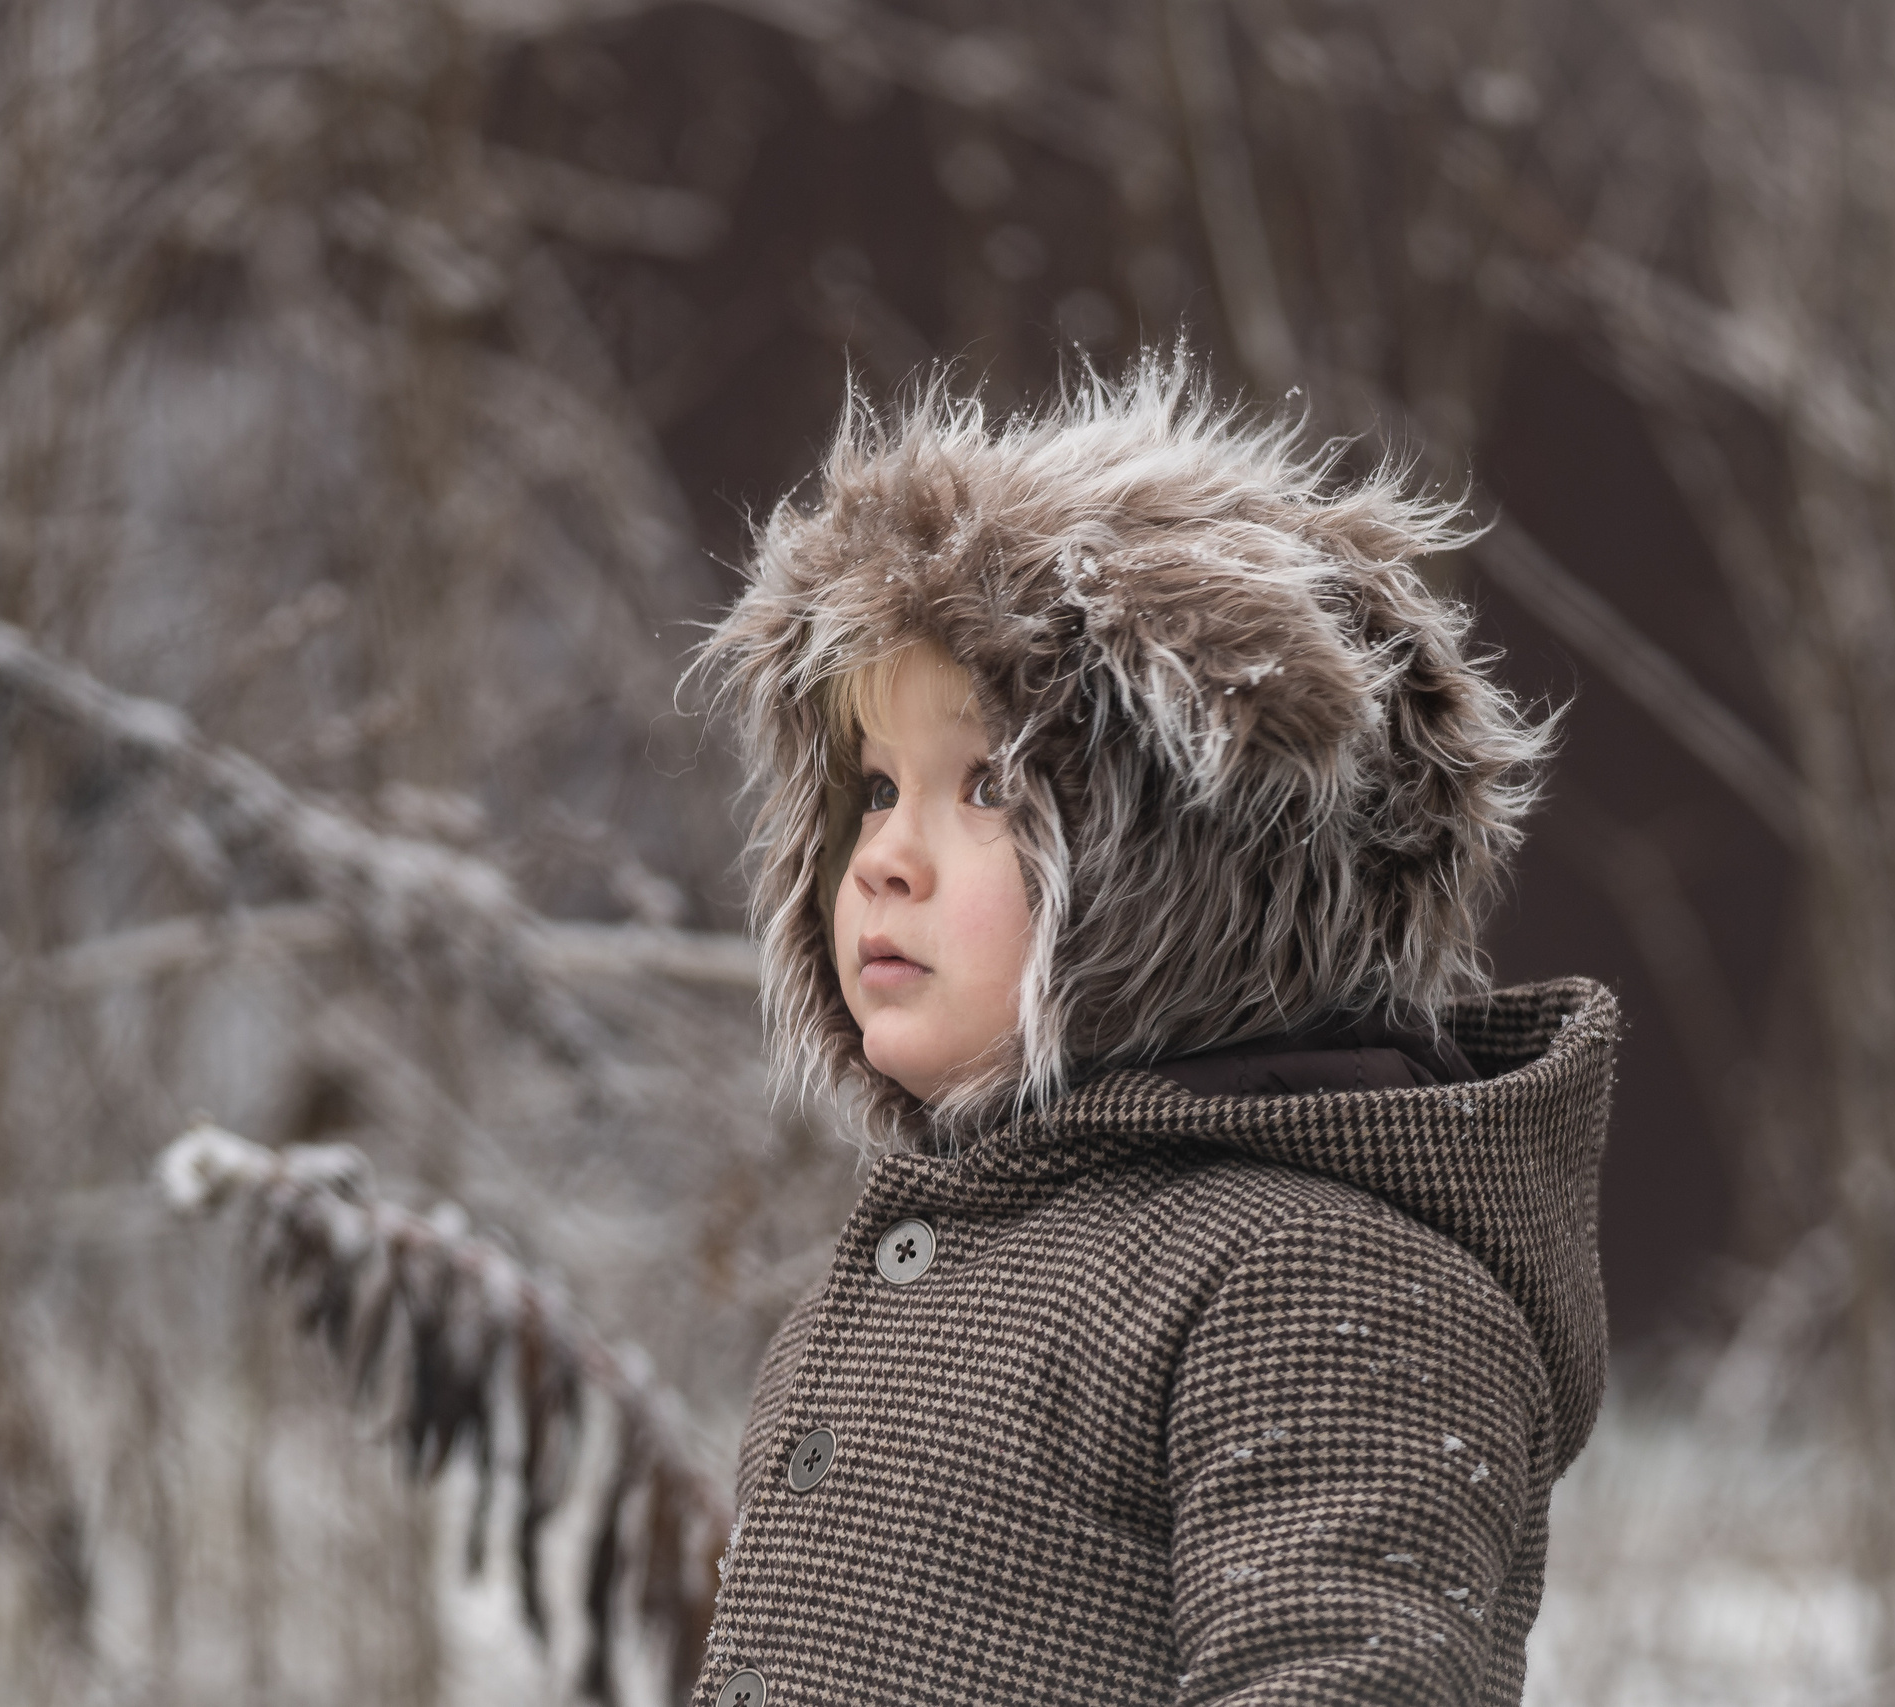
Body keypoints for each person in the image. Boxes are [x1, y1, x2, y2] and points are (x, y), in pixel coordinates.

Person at [690, 355, 1613, 1707]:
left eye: (991, 784)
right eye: (874, 786)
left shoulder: (1323, 1276)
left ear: (1199, 847)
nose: (882, 854)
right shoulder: (910, 1272)